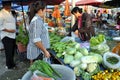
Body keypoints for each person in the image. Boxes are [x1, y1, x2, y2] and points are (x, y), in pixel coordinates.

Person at [0, 1, 17, 69]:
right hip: (6, 35)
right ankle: (9, 65)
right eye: (9, 5)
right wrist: (9, 30)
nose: (10, 6)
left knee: (12, 51)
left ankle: (12, 63)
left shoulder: (10, 12)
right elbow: (0, 26)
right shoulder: (1, 14)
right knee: (8, 52)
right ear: (5, 5)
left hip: (12, 35)